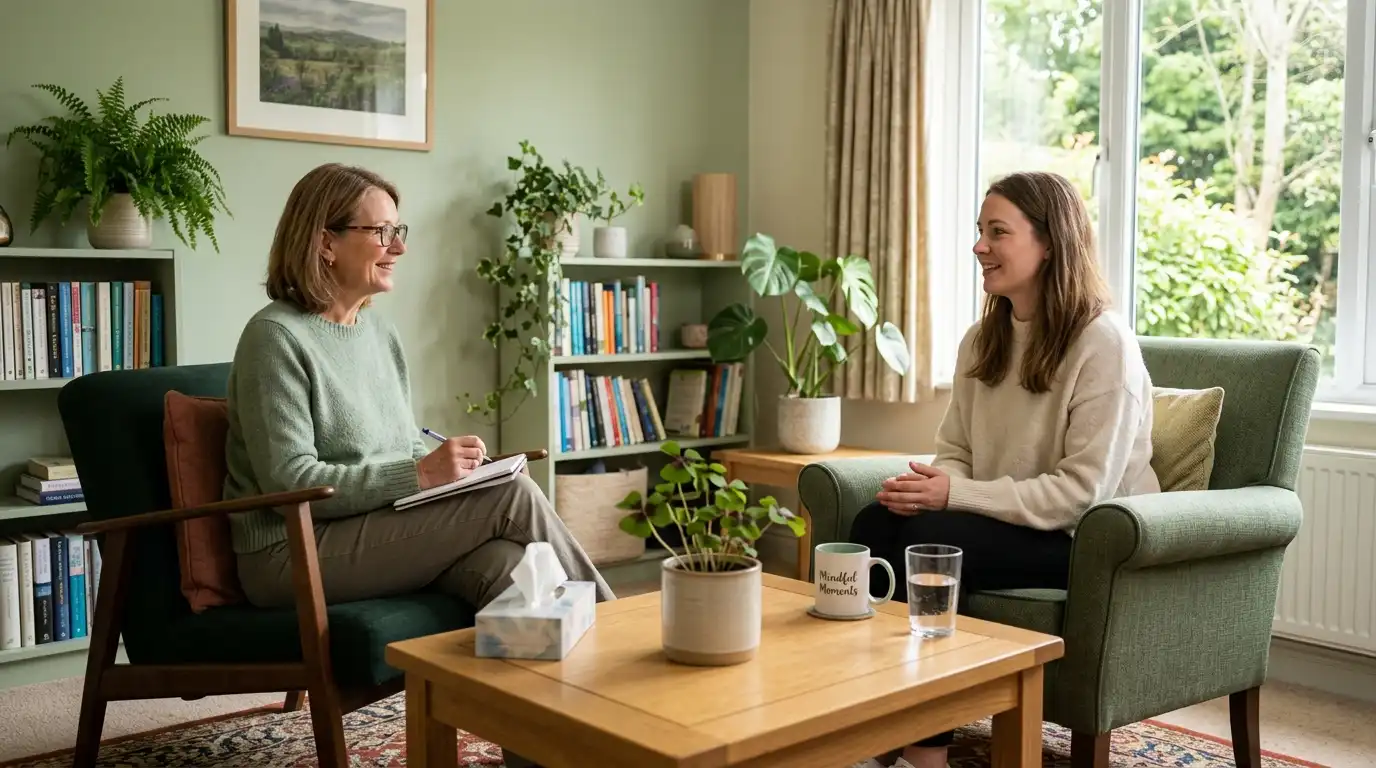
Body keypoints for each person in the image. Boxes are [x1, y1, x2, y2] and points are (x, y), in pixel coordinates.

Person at [850, 170, 1159, 768]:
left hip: (1086, 538)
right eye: (979, 231)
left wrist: (952, 497)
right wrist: (930, 488)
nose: (979, 247)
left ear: (1050, 243)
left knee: (932, 542)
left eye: (998, 232)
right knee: (872, 525)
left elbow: (1081, 494)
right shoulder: (982, 339)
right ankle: (871, 724)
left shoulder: (1103, 342)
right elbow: (956, 449)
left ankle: (925, 752)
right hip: (1011, 522)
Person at [223, 162, 614, 612]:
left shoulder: (379, 333)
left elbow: (404, 444)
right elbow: (292, 482)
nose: (400, 247)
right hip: (289, 552)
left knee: (507, 564)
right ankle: (619, 636)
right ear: (326, 241)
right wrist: (423, 474)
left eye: (398, 230)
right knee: (514, 497)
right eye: (382, 232)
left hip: (372, 526)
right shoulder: (274, 337)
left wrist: (469, 477)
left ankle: (546, 680)